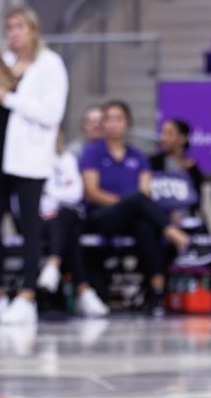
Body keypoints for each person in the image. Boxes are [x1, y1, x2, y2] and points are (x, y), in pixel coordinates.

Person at [0, 6, 68, 325]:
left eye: (19, 27)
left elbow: (51, 114)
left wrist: (8, 97)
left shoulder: (50, 65)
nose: (13, 33)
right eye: (9, 27)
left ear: (33, 30)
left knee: (29, 227)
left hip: (30, 159)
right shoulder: (7, 64)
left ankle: (28, 295)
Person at [80, 101, 191, 310]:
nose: (113, 124)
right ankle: (178, 236)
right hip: (101, 216)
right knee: (138, 202)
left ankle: (156, 291)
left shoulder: (138, 156)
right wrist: (126, 203)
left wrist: (131, 206)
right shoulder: (92, 153)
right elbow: (91, 191)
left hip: (133, 218)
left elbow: (146, 191)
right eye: (108, 119)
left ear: (128, 123)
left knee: (146, 228)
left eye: (118, 119)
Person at [37, 135, 107, 317]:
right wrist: (59, 195)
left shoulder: (67, 158)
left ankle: (53, 264)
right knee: (69, 228)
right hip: (38, 221)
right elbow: (32, 199)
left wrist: (50, 193)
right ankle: (84, 291)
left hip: (64, 217)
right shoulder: (29, 161)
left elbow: (75, 193)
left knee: (66, 216)